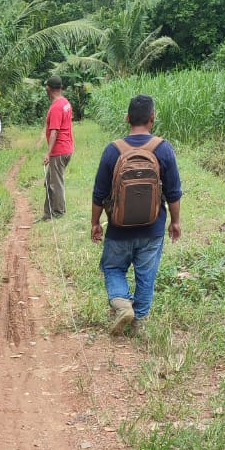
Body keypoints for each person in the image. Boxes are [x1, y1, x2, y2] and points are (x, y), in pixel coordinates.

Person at [91, 94, 182, 336]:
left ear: (127, 118)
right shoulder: (163, 149)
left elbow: (99, 193)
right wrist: (175, 222)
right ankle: (139, 321)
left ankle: (122, 304)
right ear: (152, 118)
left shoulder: (113, 150)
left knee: (112, 268)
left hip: (118, 229)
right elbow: (173, 192)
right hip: (152, 229)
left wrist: (95, 223)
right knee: (146, 275)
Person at [41, 74, 74, 221]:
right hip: (66, 148)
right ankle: (48, 214)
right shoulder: (65, 102)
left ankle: (59, 212)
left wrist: (48, 153)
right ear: (61, 88)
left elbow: (54, 131)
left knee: (56, 183)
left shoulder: (56, 107)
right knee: (49, 182)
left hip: (59, 150)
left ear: (48, 88)